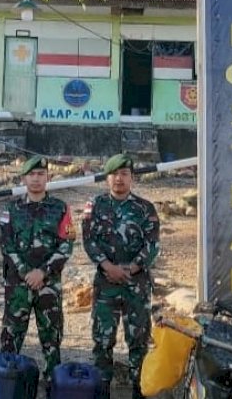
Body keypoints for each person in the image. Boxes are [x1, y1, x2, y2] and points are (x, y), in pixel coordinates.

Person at [82, 153, 160, 399]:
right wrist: (108, 267)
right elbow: (89, 241)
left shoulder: (145, 208)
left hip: (136, 285)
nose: (119, 179)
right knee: (102, 341)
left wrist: (131, 268)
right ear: (107, 178)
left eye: (124, 174)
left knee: (138, 342)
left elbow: (152, 245)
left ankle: (139, 391)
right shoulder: (95, 206)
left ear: (132, 178)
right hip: (106, 285)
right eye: (114, 174)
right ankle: (102, 392)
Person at [0, 155, 75, 393]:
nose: (36, 179)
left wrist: (42, 272)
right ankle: (8, 389)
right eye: (31, 174)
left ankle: (53, 389)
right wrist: (26, 272)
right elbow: (6, 246)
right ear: (23, 178)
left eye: (40, 174)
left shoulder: (60, 208)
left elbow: (66, 245)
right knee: (10, 340)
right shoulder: (11, 209)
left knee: (52, 341)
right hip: (18, 286)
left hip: (48, 285)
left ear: (48, 177)